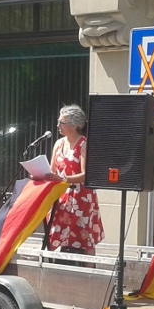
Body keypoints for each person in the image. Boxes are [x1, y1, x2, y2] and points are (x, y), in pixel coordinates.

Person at [46, 104, 104, 255]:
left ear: (74, 125)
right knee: (55, 232)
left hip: (81, 198)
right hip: (61, 196)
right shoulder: (59, 144)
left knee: (84, 236)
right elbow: (52, 170)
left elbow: (86, 174)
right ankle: (57, 270)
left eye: (62, 123)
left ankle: (89, 273)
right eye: (58, 122)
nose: (58, 125)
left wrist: (64, 178)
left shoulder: (83, 144)